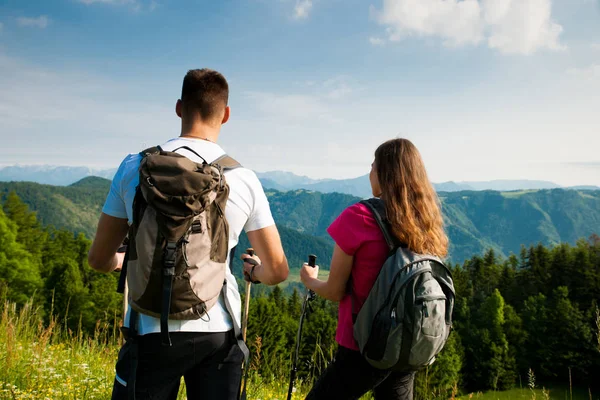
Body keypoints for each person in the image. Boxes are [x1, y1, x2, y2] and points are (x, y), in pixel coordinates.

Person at [88, 68, 289, 400]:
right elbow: (279, 269)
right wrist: (255, 271)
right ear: (225, 115)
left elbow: (98, 258)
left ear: (179, 108)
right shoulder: (242, 178)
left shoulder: (132, 167)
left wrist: (120, 260)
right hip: (218, 332)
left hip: (148, 327)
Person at [300, 138, 448, 400]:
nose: (369, 172)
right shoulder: (424, 220)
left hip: (363, 344)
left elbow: (335, 291)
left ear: (384, 173)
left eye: (373, 166)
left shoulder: (359, 217)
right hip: (409, 341)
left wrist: (310, 280)